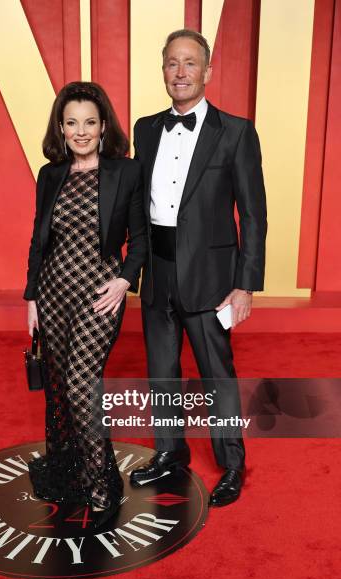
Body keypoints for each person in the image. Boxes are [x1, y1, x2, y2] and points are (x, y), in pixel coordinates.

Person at [129, 29, 267, 507]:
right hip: (158, 271)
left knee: (216, 374)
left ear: (207, 72)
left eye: (191, 63)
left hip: (211, 278)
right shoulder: (145, 129)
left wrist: (245, 284)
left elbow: (253, 214)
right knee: (162, 372)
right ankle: (170, 453)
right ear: (163, 69)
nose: (181, 72)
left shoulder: (236, 131)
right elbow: (137, 205)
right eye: (172, 63)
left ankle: (231, 464)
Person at [23, 81, 147, 521]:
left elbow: (142, 238)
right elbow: (40, 241)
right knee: (59, 385)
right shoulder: (50, 174)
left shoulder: (125, 171)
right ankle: (69, 473)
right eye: (72, 122)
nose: (80, 131)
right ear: (61, 126)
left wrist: (123, 282)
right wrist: (31, 297)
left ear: (102, 127)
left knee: (80, 383)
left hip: (99, 291)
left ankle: (102, 482)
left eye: (89, 123)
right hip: (54, 291)